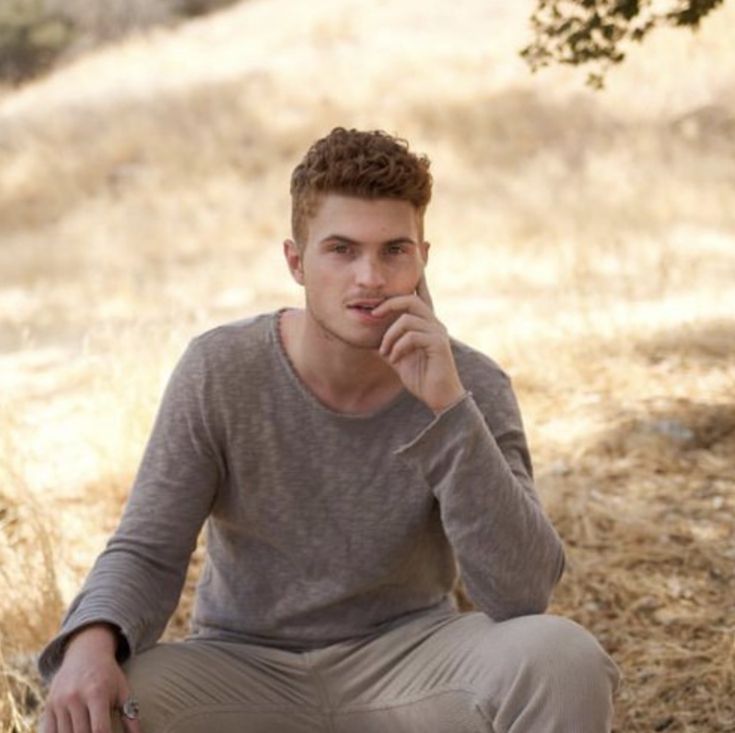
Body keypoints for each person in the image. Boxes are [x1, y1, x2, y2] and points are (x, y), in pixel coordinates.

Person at [39, 127, 620, 733]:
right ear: (296, 260)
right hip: (244, 669)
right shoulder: (221, 370)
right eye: (341, 249)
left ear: (423, 258)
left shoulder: (470, 383)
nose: (370, 277)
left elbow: (523, 593)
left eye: (394, 250)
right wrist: (89, 645)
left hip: (414, 664)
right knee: (93, 700)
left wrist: (448, 408)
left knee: (563, 659)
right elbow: (148, 548)